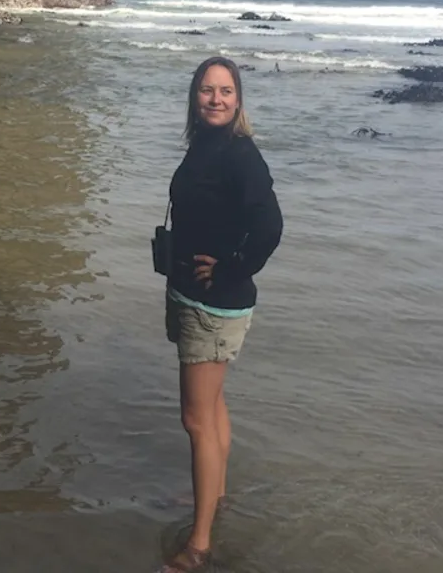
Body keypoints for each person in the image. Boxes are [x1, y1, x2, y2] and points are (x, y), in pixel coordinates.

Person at [160, 56, 283, 572]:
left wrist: (233, 268)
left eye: (226, 91)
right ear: (195, 97)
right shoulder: (205, 145)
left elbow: (270, 224)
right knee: (212, 408)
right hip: (193, 295)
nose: (216, 99)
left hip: (214, 304)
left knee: (195, 420)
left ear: (239, 100)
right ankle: (217, 496)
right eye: (207, 90)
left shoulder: (240, 154)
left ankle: (199, 545)